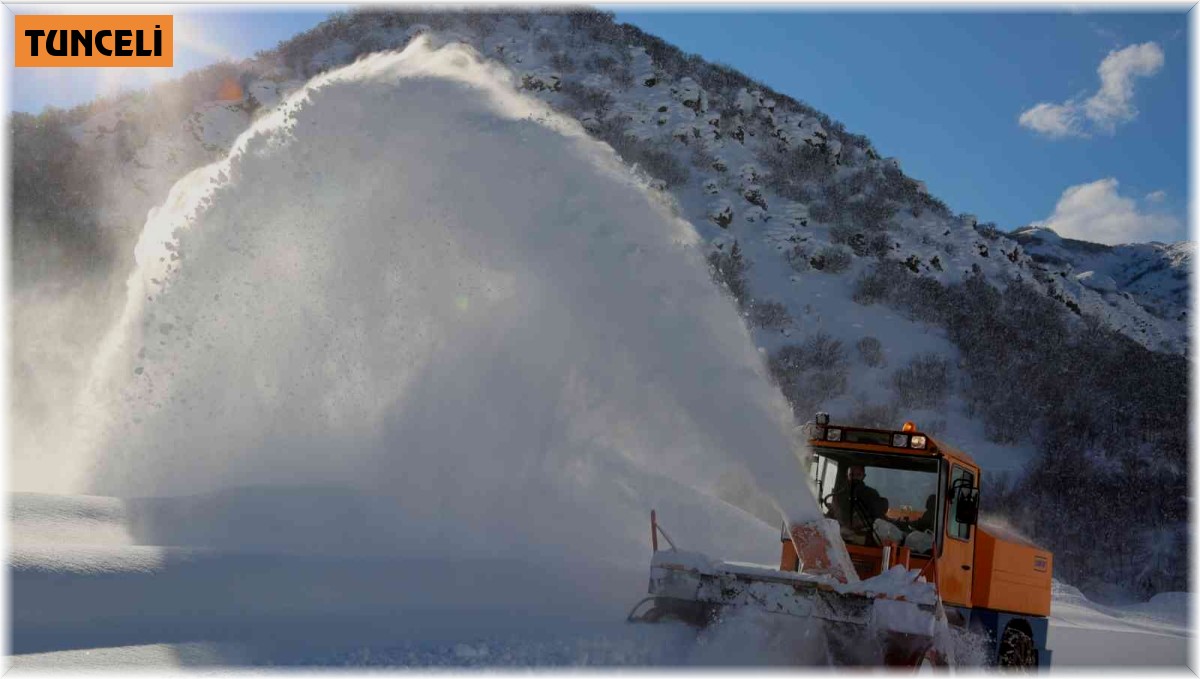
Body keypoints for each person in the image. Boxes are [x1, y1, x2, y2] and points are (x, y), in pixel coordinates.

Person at [827, 464, 888, 545]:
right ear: (847, 475)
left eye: (858, 475)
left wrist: (858, 535)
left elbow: (878, 522)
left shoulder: (871, 494)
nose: (855, 478)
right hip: (838, 542)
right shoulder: (838, 495)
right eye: (852, 475)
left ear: (864, 476)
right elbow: (831, 517)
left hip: (864, 543)